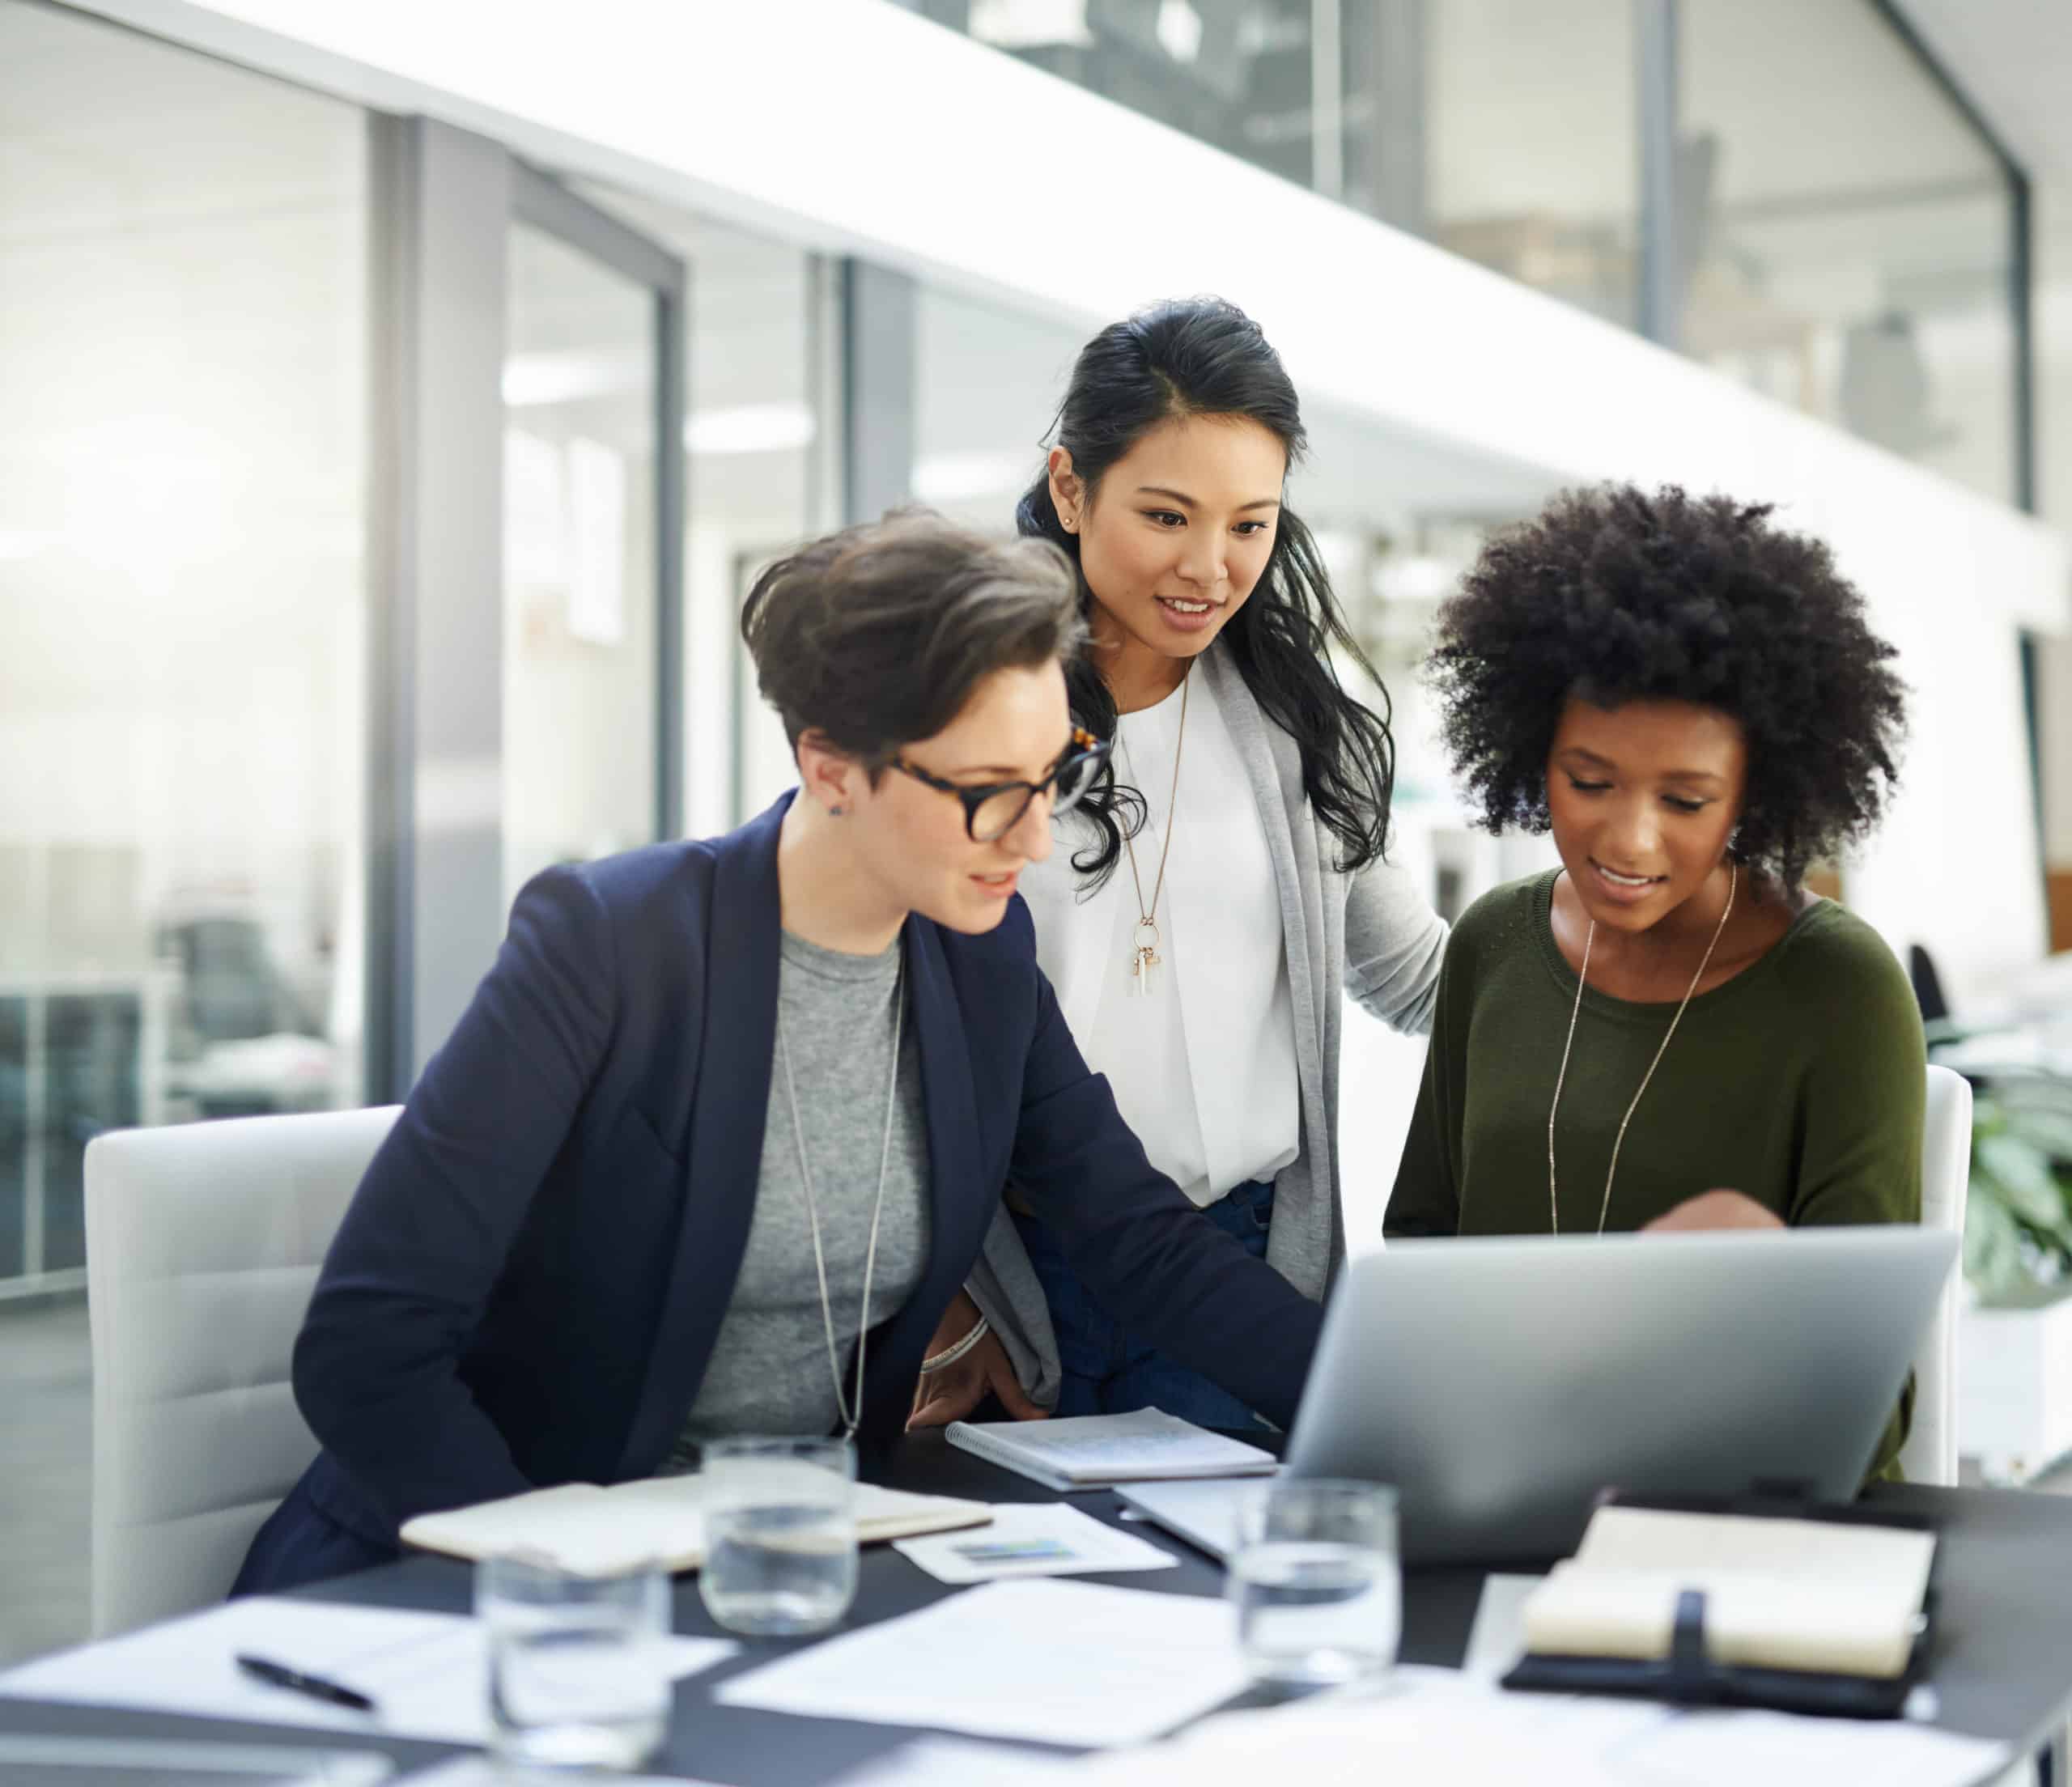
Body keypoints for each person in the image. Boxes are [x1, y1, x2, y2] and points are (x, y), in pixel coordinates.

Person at [231, 512, 1326, 1594]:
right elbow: (368, 1350)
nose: (1036, 839)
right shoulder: (612, 945)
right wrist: (568, 1583)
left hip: (783, 1565)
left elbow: (1137, 1239)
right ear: (833, 766)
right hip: (496, 1574)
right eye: (992, 794)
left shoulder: (976, 964)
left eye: (1054, 780)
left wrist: (1371, 1394)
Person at [910, 299, 1446, 1430]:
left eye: (1251, 525)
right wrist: (953, 1301)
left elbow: (1417, 977)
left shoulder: (1302, 728)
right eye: (1167, 515)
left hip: (1240, 1271)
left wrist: (1642, 941)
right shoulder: (964, 714)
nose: (1210, 567)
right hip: (1011, 1282)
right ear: (1070, 489)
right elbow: (886, 1023)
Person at [1383, 482, 1921, 1476]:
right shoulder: (1493, 944)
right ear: (1528, 752)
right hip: (1502, 1483)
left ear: (1754, 796)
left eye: (1685, 799)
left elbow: (1869, 1401)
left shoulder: (1841, 991)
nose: (1627, 839)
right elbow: (1421, 1251)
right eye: (1587, 782)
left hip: (1741, 1517)